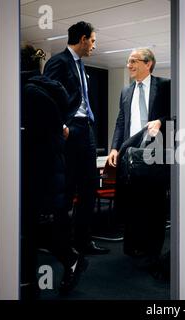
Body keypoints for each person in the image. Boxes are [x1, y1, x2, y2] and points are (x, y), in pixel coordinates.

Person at [20, 45, 88, 297]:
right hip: (38, 173)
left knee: (35, 230)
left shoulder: (31, 93)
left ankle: (66, 262)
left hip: (40, 174)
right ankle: (31, 280)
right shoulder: (31, 91)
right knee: (32, 230)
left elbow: (54, 138)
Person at [43, 21, 109, 255]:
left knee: (89, 188)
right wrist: (61, 124)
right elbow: (46, 95)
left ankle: (83, 241)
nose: (93, 45)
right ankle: (62, 245)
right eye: (92, 40)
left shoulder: (82, 66)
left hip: (86, 130)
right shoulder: (58, 62)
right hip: (70, 130)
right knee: (67, 190)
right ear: (82, 39)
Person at [108, 48, 171, 272]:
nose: (129, 65)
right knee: (132, 202)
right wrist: (114, 148)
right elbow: (120, 121)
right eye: (127, 61)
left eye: (133, 61)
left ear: (148, 64)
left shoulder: (165, 85)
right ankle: (134, 247)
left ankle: (153, 252)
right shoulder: (126, 91)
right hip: (130, 153)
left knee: (154, 203)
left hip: (155, 153)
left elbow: (179, 113)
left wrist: (162, 122)